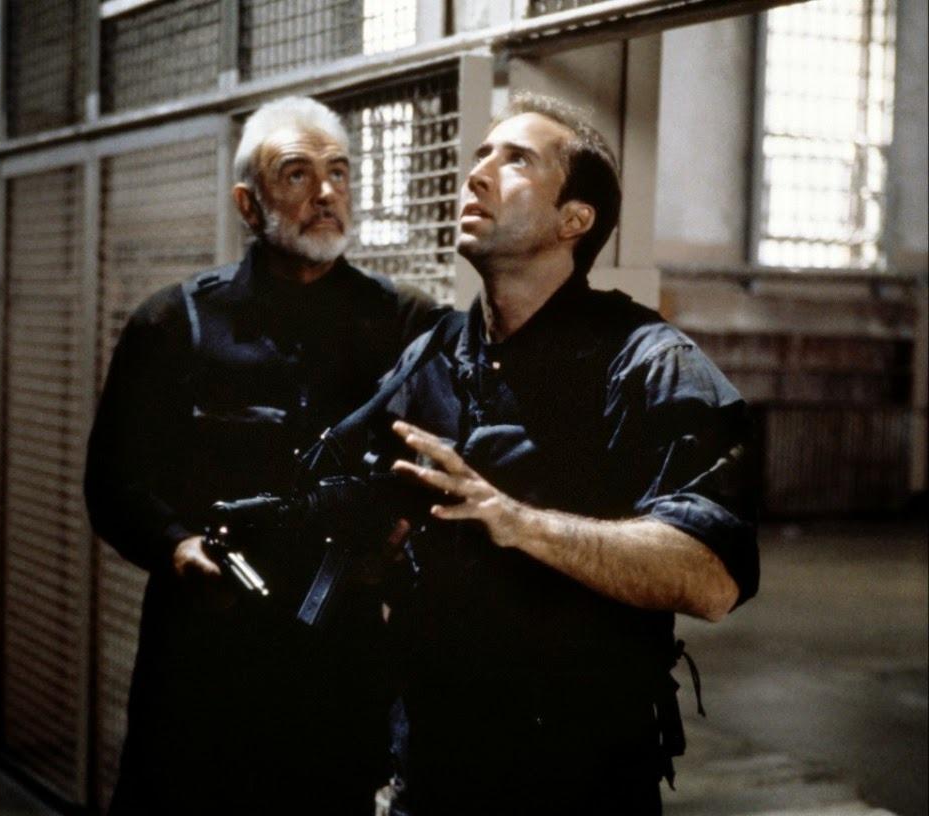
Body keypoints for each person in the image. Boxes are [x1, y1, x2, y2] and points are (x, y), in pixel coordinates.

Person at [301, 92, 760, 815]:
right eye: (481, 154)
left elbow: (712, 577)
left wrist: (517, 522)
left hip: (577, 781)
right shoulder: (432, 355)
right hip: (432, 769)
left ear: (573, 220)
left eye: (516, 160)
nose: (477, 174)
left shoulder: (649, 363)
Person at [84, 96, 442, 815]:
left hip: (337, 662)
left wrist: (403, 534)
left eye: (339, 172)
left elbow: (443, 467)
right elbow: (113, 481)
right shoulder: (174, 322)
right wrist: (178, 546)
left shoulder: (406, 323)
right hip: (202, 658)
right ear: (248, 204)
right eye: (297, 174)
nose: (327, 192)